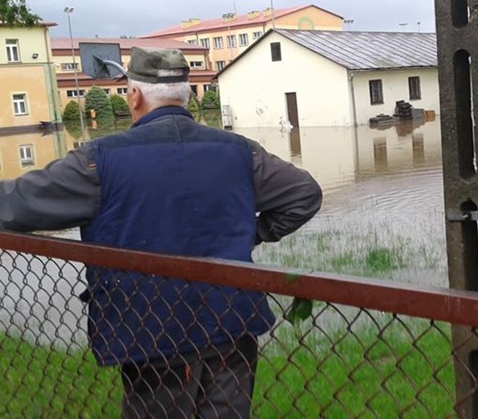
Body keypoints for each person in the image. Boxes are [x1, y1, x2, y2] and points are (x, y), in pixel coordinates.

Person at [0, 47, 322, 418]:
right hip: (233, 325)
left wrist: (250, 231)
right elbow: (304, 194)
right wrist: (252, 232)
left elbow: (14, 204)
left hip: (151, 334)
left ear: (134, 95)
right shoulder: (239, 151)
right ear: (187, 95)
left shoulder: (98, 160)